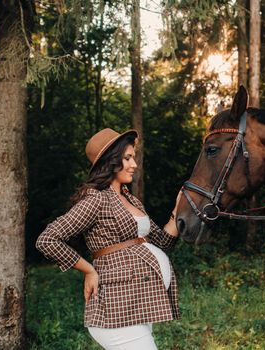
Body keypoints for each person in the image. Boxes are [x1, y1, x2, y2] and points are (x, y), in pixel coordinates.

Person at [36, 128, 181, 349]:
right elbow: (47, 240)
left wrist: (180, 208)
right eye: (127, 158)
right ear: (110, 162)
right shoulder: (96, 200)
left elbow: (163, 242)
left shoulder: (131, 200)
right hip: (115, 308)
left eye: (134, 157)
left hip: (137, 304)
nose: (134, 164)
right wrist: (88, 270)